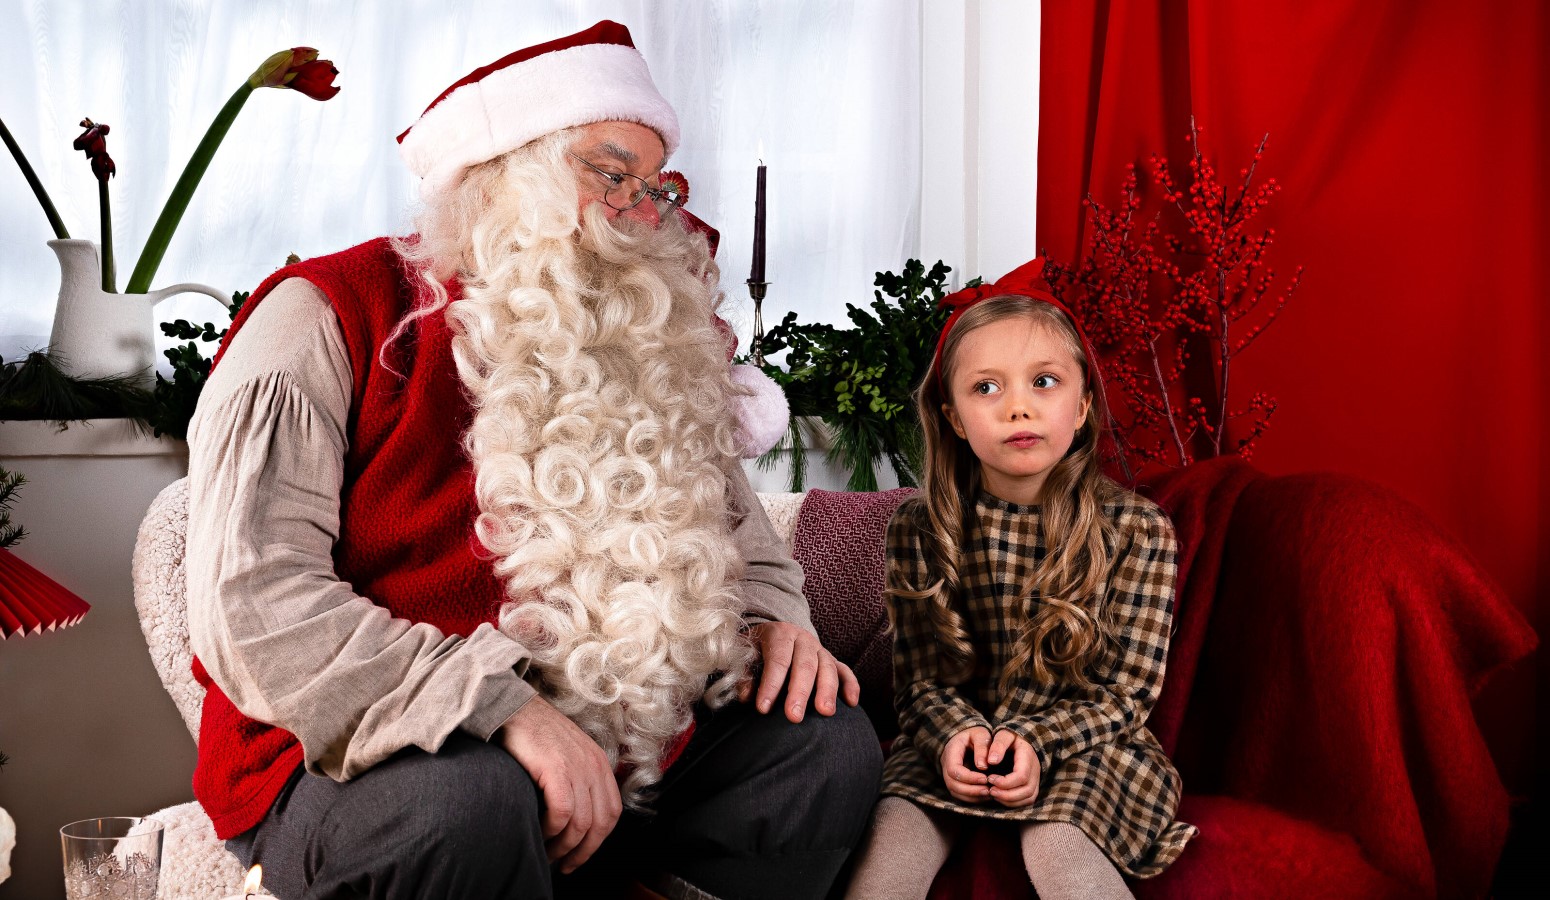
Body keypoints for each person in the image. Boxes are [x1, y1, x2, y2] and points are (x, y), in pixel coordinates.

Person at [184, 20, 880, 900]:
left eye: (654, 183)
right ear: (511, 173)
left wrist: (778, 622)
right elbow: (254, 600)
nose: (642, 207)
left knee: (823, 745)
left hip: (629, 763)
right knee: (469, 802)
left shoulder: (641, 331)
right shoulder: (325, 316)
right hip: (362, 761)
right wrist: (499, 707)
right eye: (611, 171)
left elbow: (735, 531)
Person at [842, 261, 1196, 900]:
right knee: (893, 833)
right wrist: (956, 736)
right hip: (962, 732)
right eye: (986, 388)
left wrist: (1033, 740)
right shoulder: (920, 528)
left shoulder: (1138, 531)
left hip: (1092, 744)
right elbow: (923, 680)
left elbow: (1126, 695)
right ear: (951, 416)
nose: (1018, 407)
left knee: (1055, 839)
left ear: (1083, 404)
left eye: (1044, 381)